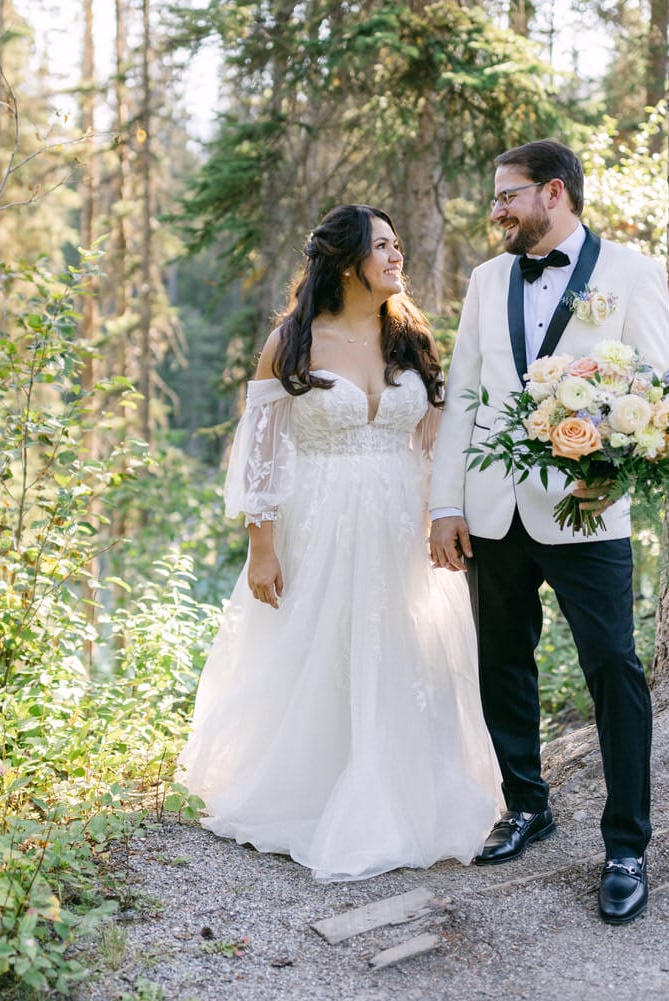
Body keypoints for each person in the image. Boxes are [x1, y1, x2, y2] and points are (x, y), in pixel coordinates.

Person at [180, 204, 501, 882]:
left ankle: (404, 788)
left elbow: (438, 440)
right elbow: (260, 454)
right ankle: (312, 787)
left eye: (396, 244)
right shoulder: (294, 342)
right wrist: (259, 546)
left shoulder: (412, 339)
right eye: (381, 246)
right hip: (318, 520)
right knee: (321, 646)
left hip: (398, 523)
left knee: (400, 649)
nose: (395, 256)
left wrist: (446, 511)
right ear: (347, 260)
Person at [428, 139, 669, 924]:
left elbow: (657, 394)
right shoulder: (486, 279)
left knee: (614, 668)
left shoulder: (633, 272)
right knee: (502, 660)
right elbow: (464, 392)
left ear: (553, 193)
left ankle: (627, 844)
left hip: (588, 511)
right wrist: (445, 504)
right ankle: (527, 805)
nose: (496, 209)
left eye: (508, 195)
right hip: (494, 511)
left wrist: (616, 472)